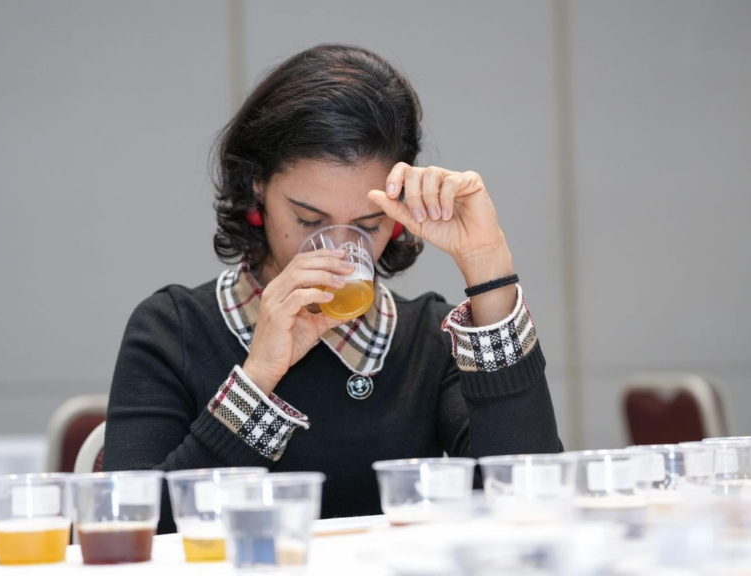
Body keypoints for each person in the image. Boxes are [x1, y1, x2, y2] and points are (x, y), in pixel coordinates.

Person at [103, 43, 562, 532]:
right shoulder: (173, 328)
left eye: (367, 225)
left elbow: (532, 503)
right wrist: (257, 379)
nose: (341, 252)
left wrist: (488, 266)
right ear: (257, 188)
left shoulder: (429, 338)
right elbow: (129, 528)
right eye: (309, 220)